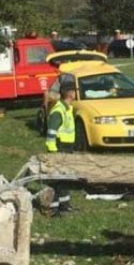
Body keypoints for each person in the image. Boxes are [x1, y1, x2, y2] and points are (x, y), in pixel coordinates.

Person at [45, 85, 77, 217]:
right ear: (70, 94)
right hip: (60, 148)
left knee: (66, 178)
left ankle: (64, 205)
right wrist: (53, 152)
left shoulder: (67, 109)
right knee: (58, 179)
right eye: (75, 91)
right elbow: (50, 135)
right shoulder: (59, 111)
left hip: (67, 147)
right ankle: (54, 208)